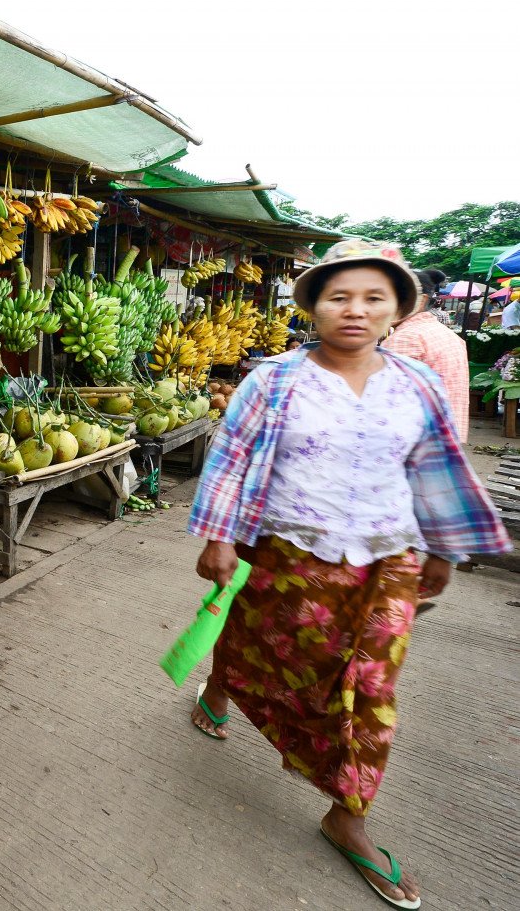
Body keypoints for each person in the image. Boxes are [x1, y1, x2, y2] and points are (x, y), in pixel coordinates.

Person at [186, 239, 509, 909]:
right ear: (313, 306)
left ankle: (348, 816)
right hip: (288, 552)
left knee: (370, 691)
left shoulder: (414, 385)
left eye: (373, 298)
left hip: (390, 559)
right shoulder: (273, 379)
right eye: (338, 296)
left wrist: (444, 550)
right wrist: (218, 538)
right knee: (253, 639)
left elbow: (436, 466)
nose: (355, 310)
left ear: (398, 310)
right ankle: (220, 686)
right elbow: (232, 457)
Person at [384, 269, 470, 442]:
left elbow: (387, 402)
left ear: (421, 300)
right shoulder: (445, 334)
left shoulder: (406, 338)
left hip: (416, 441)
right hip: (447, 438)